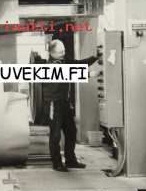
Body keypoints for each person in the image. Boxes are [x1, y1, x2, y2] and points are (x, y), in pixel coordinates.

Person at [32, 39, 102, 172]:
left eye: (64, 50)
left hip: (64, 102)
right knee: (56, 135)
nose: (63, 53)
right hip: (53, 103)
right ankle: (57, 163)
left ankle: (70, 160)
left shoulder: (64, 60)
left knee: (71, 131)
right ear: (52, 53)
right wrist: (89, 74)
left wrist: (95, 57)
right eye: (60, 52)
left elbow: (79, 64)